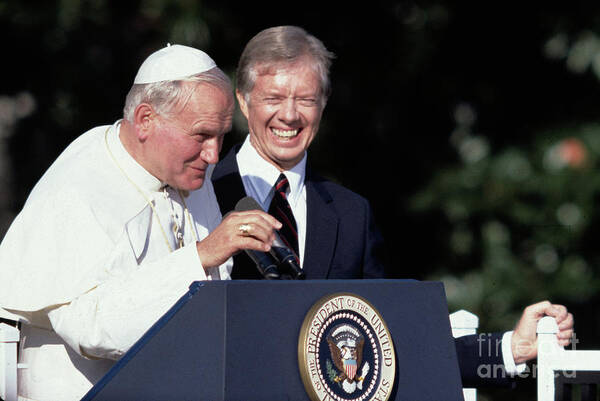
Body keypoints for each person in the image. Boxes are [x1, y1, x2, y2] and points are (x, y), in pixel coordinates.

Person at [211, 25, 574, 387]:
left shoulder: (351, 214)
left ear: (323, 103)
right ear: (243, 99)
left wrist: (511, 348)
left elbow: (393, 343)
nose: (290, 116)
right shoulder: (203, 192)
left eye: (305, 99)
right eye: (274, 98)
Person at [0, 44, 280, 401]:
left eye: (222, 136)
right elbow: (92, 328)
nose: (213, 155)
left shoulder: (189, 170)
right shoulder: (79, 186)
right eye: (201, 136)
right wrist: (199, 256)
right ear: (146, 119)